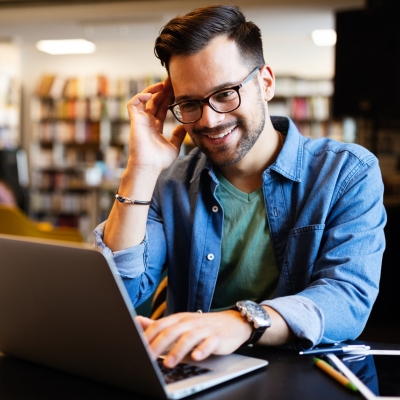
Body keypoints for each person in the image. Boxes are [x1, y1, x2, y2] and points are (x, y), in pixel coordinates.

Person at [95, 5, 386, 368]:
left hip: (300, 376)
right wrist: (140, 168)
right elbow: (117, 293)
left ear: (265, 83)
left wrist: (242, 321)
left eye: (225, 93)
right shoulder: (167, 183)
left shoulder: (346, 172)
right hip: (191, 373)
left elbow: (347, 298)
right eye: (189, 104)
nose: (210, 119)